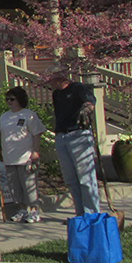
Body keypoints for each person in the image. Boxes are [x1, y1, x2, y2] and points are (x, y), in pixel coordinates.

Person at [46, 64, 100, 215]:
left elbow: (90, 100)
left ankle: (91, 215)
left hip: (79, 135)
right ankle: (80, 213)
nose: (50, 81)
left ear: (60, 77)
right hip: (62, 136)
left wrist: (86, 108)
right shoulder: (56, 94)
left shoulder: (78, 88)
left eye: (52, 78)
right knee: (70, 179)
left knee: (86, 179)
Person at [0, 87, 47, 223]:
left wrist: (35, 152)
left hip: (25, 158)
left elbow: (37, 134)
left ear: (20, 99)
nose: (9, 102)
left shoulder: (28, 115)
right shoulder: (4, 116)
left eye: (12, 99)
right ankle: (22, 209)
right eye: (7, 99)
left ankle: (35, 211)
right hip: (9, 158)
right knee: (14, 187)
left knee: (29, 185)